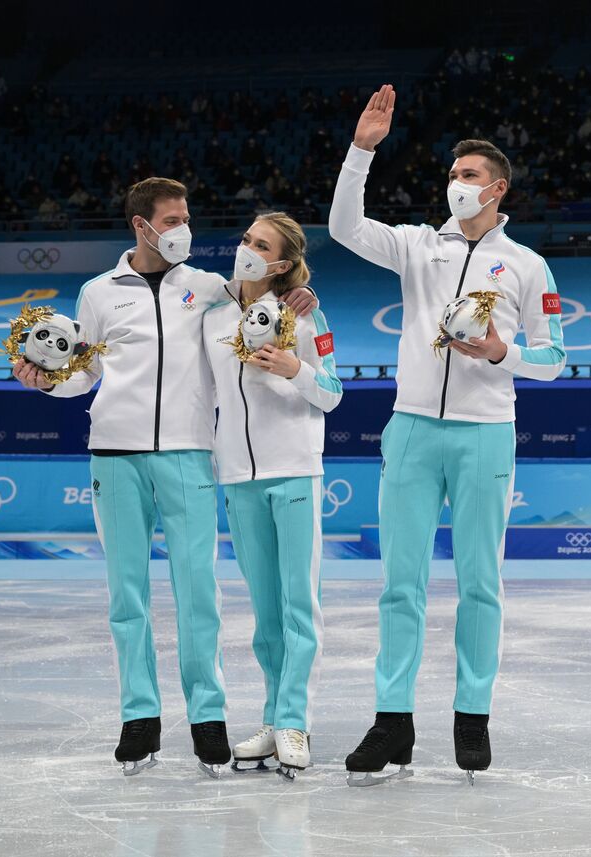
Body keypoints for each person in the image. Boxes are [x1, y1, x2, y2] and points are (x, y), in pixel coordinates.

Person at [12, 178, 316, 778]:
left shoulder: (207, 289)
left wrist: (300, 297)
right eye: (171, 220)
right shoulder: (98, 293)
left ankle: (208, 720)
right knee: (127, 597)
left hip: (188, 456)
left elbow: (267, 299)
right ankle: (139, 719)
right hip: (115, 456)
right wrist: (48, 381)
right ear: (141, 226)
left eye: (185, 218)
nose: (183, 229)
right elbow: (82, 373)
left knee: (198, 594)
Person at [329, 85, 566, 786]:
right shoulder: (415, 248)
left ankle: (472, 716)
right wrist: (360, 151)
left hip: (485, 435)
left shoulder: (526, 265)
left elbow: (554, 360)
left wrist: (501, 353)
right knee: (399, 584)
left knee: (479, 583)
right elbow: (344, 227)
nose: (455, 185)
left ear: (496, 188)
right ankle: (392, 721)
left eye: (468, 177)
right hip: (410, 430)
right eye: (452, 175)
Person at [201, 213, 341, 780]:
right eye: (245, 239)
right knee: (264, 615)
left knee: (298, 604)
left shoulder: (305, 313)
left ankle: (294, 721)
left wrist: (295, 369)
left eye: (261, 246)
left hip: (294, 471)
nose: (247, 249)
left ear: (282, 263)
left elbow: (332, 392)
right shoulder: (211, 313)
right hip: (236, 476)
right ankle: (271, 714)